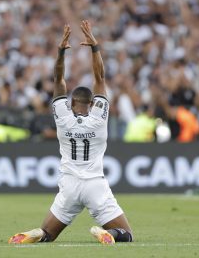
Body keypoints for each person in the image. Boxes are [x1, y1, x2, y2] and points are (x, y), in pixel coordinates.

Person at [8, 21, 133, 245]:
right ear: (93, 102)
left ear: (71, 102)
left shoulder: (63, 117)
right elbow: (100, 78)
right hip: (95, 184)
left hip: (69, 185)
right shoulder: (98, 118)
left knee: (48, 234)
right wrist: (94, 47)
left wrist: (60, 52)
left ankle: (36, 233)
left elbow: (58, 80)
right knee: (126, 234)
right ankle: (108, 234)